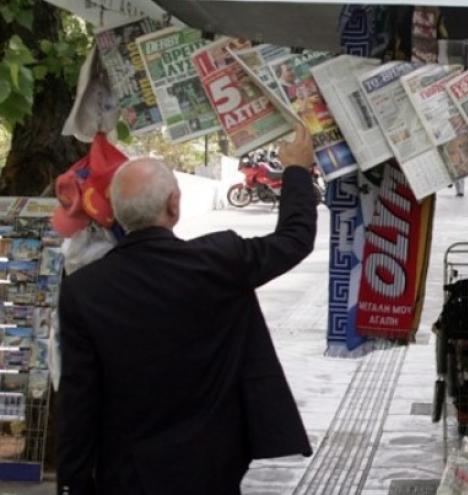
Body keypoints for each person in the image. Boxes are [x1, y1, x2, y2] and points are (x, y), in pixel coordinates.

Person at [57, 123, 317, 495]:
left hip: (128, 474)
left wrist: (72, 485)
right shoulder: (220, 262)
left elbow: (78, 398)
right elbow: (295, 239)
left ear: (115, 213)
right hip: (213, 468)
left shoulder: (85, 290)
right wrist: (296, 170)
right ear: (174, 205)